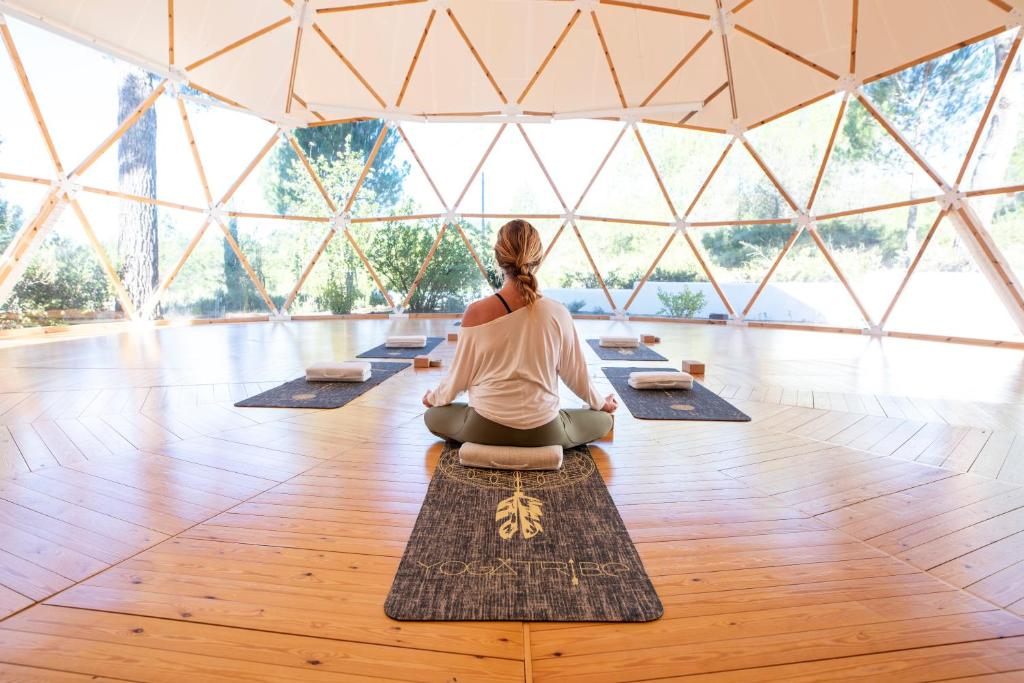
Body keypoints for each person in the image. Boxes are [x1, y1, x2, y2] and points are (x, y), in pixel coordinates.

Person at [422, 219, 617, 448]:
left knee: (431, 416)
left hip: (483, 428)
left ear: (498, 258)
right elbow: (577, 376)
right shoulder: (558, 313)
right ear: (539, 258)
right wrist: (602, 404)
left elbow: (458, 378)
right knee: (604, 420)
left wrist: (433, 398)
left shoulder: (475, 312)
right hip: (545, 432)